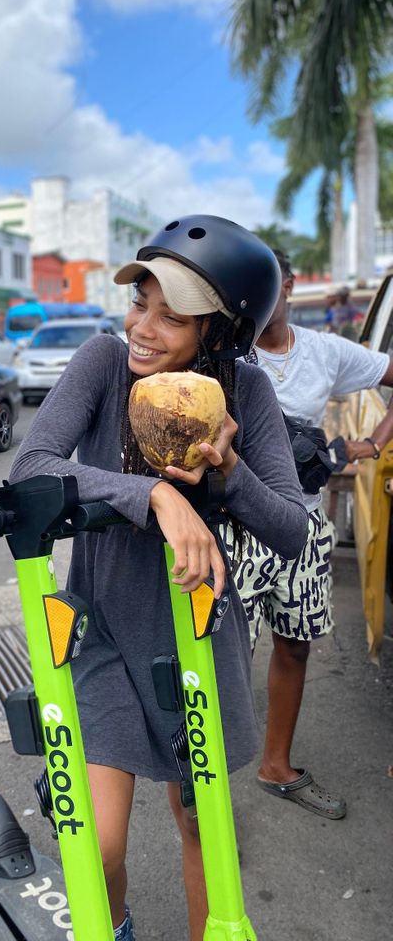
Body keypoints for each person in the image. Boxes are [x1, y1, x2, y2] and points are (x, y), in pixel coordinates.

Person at [9, 215, 308, 941]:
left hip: (196, 632)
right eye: (140, 302)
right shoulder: (103, 363)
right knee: (97, 844)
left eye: (172, 316)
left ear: (220, 333)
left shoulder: (248, 394)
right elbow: (32, 466)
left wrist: (230, 474)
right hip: (100, 631)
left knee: (204, 828)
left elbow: (292, 529)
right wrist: (155, 494)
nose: (143, 326)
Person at [231, 248, 393, 820]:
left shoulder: (324, 352)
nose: (259, 294)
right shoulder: (223, 349)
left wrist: (370, 444)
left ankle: (276, 765)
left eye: (269, 282)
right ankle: (199, 795)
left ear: (291, 285)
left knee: (294, 645)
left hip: (302, 523)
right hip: (237, 528)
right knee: (221, 655)